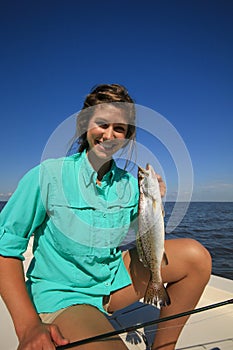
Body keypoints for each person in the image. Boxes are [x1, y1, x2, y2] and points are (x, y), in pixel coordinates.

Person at [0, 84, 211, 350]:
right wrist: (28, 326)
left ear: (127, 136)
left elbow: (145, 236)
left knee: (196, 257)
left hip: (111, 281)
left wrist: (156, 203)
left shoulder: (129, 183)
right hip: (66, 296)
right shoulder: (47, 176)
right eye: (101, 124)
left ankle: (163, 347)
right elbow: (5, 249)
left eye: (119, 128)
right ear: (84, 125)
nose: (109, 135)